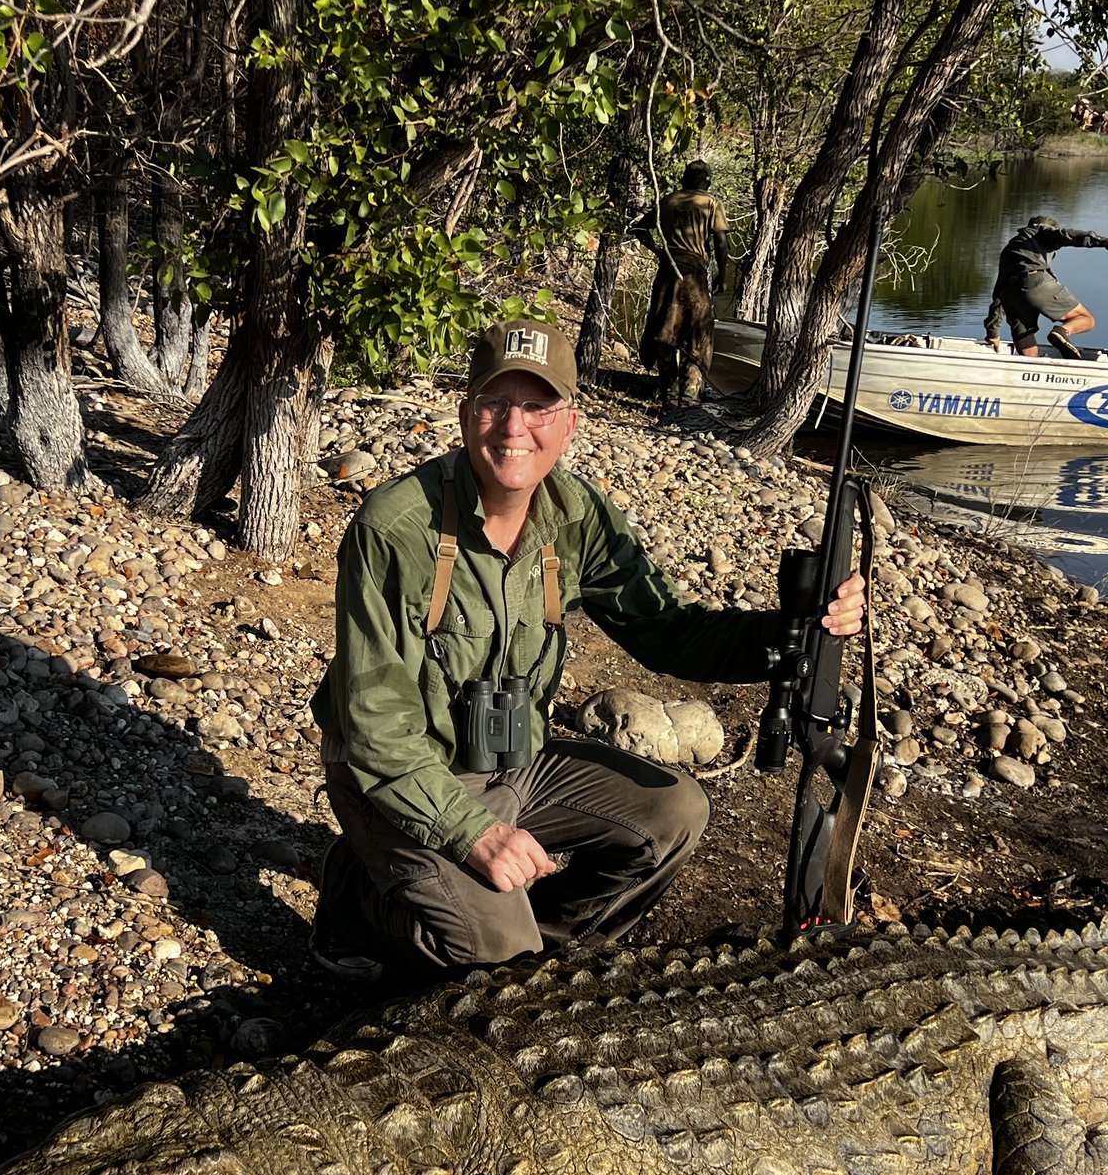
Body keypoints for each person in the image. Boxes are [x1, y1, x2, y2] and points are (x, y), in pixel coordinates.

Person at [307, 318, 864, 985]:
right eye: (494, 402)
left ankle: (536, 949)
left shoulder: (578, 515)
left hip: (510, 758)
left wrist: (794, 631)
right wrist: (473, 834)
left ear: (569, 423)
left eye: (538, 406)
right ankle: (357, 902)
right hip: (397, 778)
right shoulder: (394, 529)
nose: (514, 427)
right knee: (498, 958)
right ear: (465, 413)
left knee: (676, 813)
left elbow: (671, 630)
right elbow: (377, 731)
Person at [633, 160, 729, 408]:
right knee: (697, 334)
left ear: (684, 179)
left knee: (665, 329)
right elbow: (720, 241)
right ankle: (688, 398)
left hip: (668, 273)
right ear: (706, 181)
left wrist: (659, 250)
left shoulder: (668, 201)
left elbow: (639, 229)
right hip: (694, 275)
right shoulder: (711, 203)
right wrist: (722, 275)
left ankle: (669, 395)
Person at [987, 213, 1108, 357]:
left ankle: (1031, 367)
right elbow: (1067, 235)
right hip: (1035, 281)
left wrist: (993, 332)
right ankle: (1061, 332)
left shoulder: (1010, 249)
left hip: (1010, 294)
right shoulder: (1042, 232)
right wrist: (1104, 241)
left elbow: (999, 292)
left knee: (1025, 338)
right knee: (1086, 319)